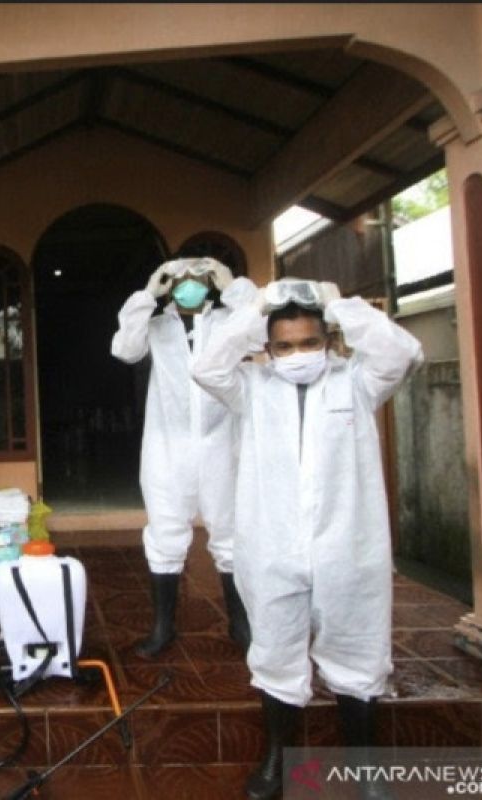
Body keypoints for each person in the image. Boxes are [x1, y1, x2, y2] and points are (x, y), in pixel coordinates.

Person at [192, 276, 422, 800]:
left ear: (330, 341)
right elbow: (205, 366)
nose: (298, 354)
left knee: (359, 653)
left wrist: (339, 303)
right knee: (274, 651)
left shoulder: (358, 382)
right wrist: (257, 309)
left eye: (310, 342)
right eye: (285, 345)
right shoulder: (250, 389)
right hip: (272, 550)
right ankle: (277, 761)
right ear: (267, 350)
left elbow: (403, 351)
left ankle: (365, 771)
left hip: (349, 550)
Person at [110, 256, 253, 659]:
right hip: (166, 447)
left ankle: (240, 622)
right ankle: (163, 627)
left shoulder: (230, 321)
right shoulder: (156, 327)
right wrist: (146, 295)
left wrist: (235, 288)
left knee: (229, 535)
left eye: (198, 277)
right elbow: (124, 349)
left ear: (210, 282)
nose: (189, 284)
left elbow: (260, 333)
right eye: (179, 279)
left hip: (222, 444)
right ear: (169, 286)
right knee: (165, 533)